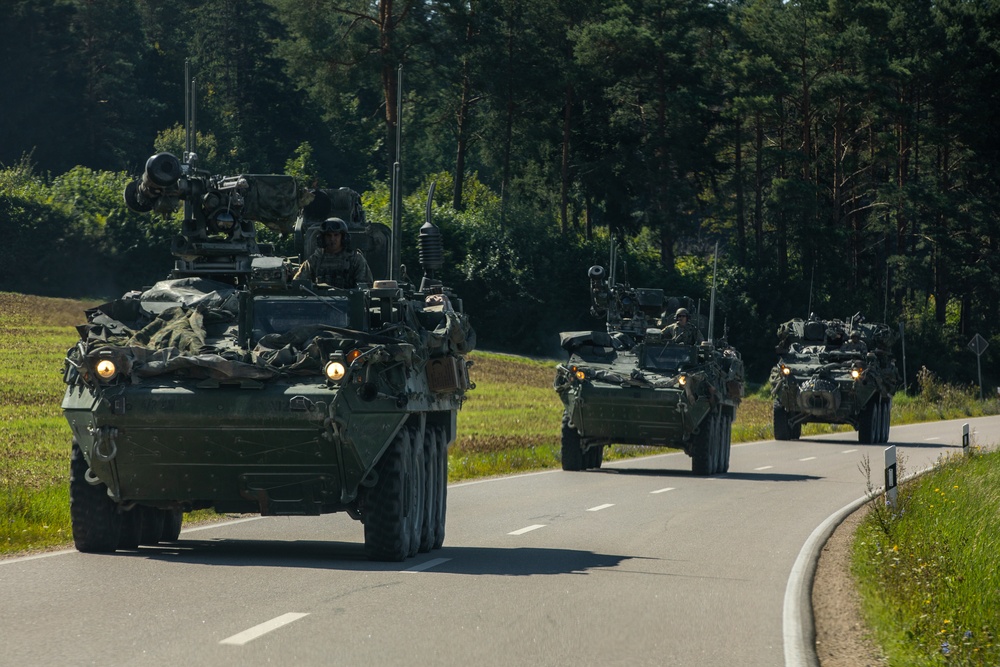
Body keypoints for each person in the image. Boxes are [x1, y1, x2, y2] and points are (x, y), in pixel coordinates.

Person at [293, 218, 373, 288]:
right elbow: (299, 284)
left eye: (336, 235)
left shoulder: (355, 259)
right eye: (328, 235)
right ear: (322, 238)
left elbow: (364, 289)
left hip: (347, 304)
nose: (332, 239)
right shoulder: (315, 260)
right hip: (321, 303)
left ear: (343, 238)